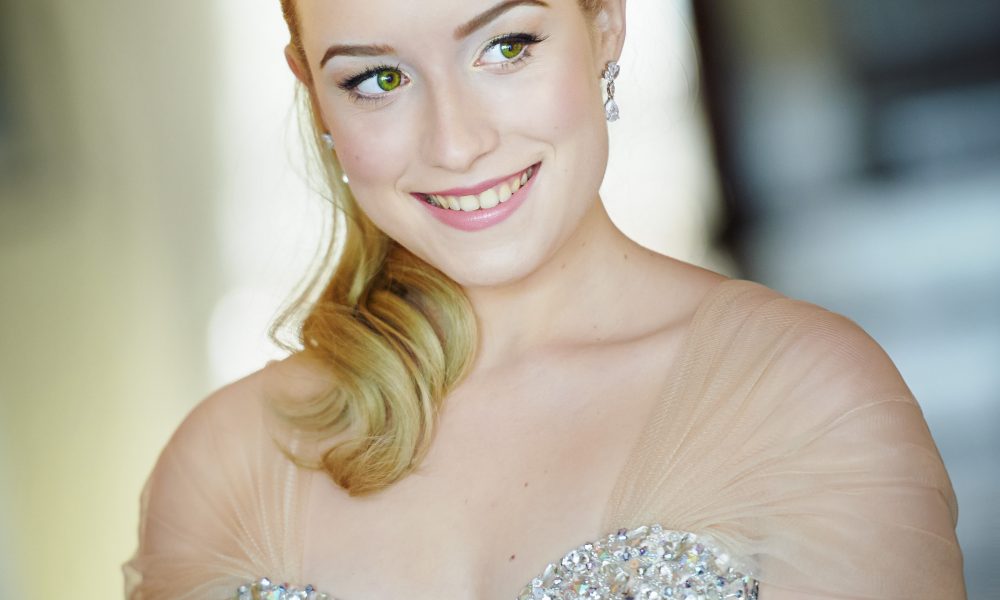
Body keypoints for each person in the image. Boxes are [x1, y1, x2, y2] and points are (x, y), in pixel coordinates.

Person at [122, 0, 966, 598]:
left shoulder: (803, 396)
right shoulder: (225, 465)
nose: (456, 143)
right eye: (377, 79)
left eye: (506, 45)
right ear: (313, 90)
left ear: (606, 25)